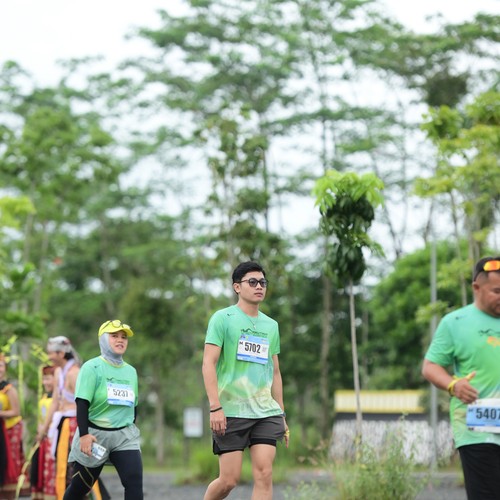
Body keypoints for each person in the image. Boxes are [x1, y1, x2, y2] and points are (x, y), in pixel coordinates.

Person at [202, 261, 289, 500]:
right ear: (237, 287)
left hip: (265, 412)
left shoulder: (271, 325)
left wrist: (281, 413)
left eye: (262, 282)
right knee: (228, 480)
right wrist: (215, 407)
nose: (259, 286)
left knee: (264, 473)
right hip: (231, 411)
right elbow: (208, 363)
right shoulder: (223, 318)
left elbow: (275, 371)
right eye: (252, 282)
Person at [422, 256, 500, 500]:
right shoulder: (455, 323)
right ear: (477, 288)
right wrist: (453, 385)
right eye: (497, 291)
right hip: (478, 427)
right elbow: (430, 366)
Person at [63, 319, 143, 500]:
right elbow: (82, 404)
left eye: (124, 337)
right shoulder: (91, 367)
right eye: (114, 336)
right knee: (79, 488)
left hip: (124, 437)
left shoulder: (131, 371)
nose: (120, 340)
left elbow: (134, 406)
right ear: (103, 339)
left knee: (134, 483)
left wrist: (127, 427)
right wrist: (84, 435)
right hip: (94, 436)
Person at [37, 336, 81, 500]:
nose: (49, 357)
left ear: (61, 354)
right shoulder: (58, 372)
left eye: (51, 353)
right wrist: (45, 428)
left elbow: (84, 403)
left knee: (73, 466)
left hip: (73, 423)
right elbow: (56, 401)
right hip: (60, 423)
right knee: (58, 464)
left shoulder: (74, 373)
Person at [0, 353, 25, 500]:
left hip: (8, 431)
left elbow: (16, 411)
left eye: (1, 366)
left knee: (7, 463)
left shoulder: (9, 389)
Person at [31, 365, 56, 499]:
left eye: (48, 379)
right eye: (44, 379)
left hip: (53, 439)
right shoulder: (45, 396)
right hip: (43, 440)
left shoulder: (59, 398)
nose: (45, 382)